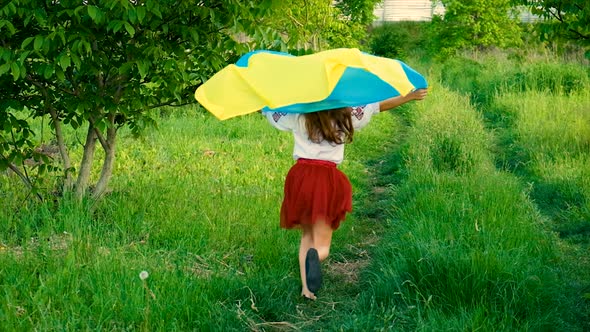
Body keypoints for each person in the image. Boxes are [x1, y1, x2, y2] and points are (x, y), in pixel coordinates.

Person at [262, 89, 428, 300]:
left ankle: (307, 289)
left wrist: (261, 98)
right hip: (326, 179)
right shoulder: (345, 114)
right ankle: (318, 256)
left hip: (300, 176)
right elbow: (378, 106)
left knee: (307, 235)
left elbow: (271, 112)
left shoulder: (300, 113)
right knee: (322, 245)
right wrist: (409, 96)